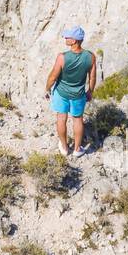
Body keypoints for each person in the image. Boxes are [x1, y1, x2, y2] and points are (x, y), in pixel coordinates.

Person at [44, 25, 96, 156]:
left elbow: (53, 76)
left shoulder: (62, 57)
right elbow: (93, 77)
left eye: (68, 36)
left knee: (61, 118)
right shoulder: (90, 57)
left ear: (74, 41)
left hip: (61, 93)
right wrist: (90, 92)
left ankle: (65, 147)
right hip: (78, 95)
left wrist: (47, 89)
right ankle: (77, 149)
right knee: (78, 120)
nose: (65, 37)